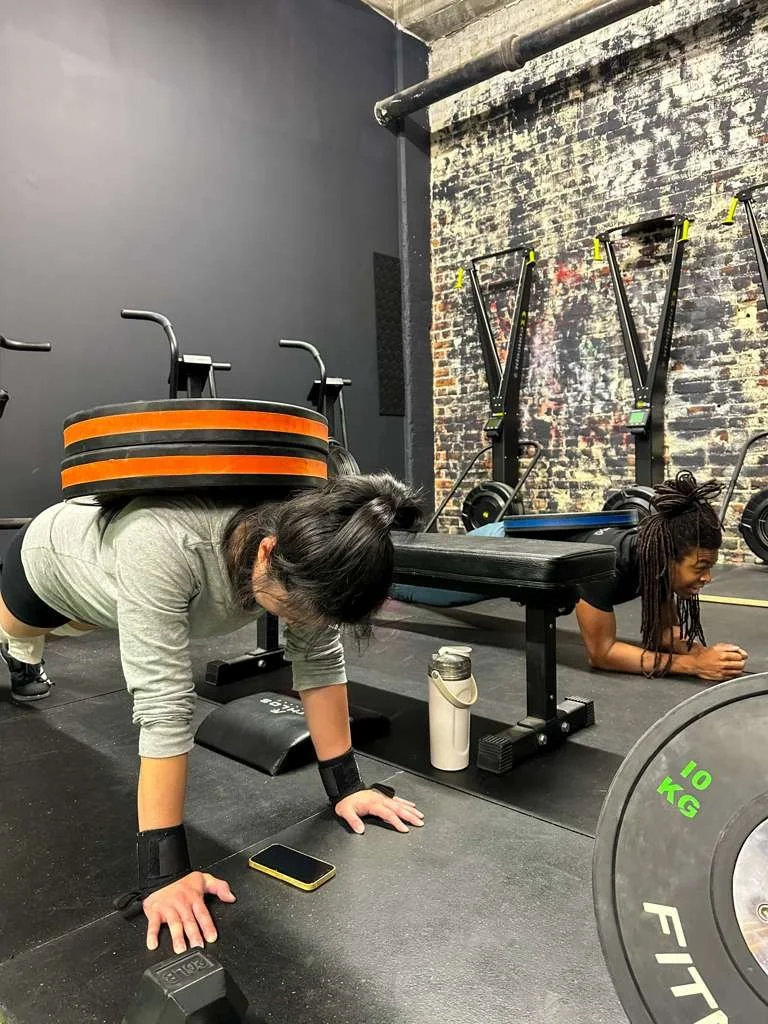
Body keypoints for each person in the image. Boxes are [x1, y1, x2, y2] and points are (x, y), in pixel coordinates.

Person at [0, 473, 426, 954]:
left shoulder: (304, 549)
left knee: (77, 628)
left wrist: (349, 787)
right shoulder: (165, 543)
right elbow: (164, 707)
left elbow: (320, 661)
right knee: (25, 630)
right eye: (298, 612)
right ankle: (17, 648)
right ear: (266, 552)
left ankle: (24, 649)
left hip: (114, 593)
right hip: (48, 565)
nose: (306, 625)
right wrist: (163, 875)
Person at [390, 471, 748, 682]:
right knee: (408, 585)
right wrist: (691, 665)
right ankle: (375, 557)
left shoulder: (656, 563)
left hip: (528, 547)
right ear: (669, 559)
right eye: (700, 567)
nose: (707, 577)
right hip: (505, 548)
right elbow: (602, 654)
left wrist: (702, 652)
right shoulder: (609, 564)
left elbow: (662, 633)